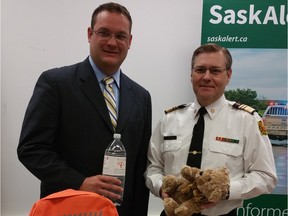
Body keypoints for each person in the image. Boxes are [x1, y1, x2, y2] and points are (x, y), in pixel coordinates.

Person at [17, 2, 152, 216]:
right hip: (69, 208)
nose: (112, 42)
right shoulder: (55, 83)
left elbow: (139, 169)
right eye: (104, 33)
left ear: (130, 41)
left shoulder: (141, 96)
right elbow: (31, 149)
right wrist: (79, 182)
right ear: (90, 34)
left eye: (120, 36)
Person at [145, 43, 277, 216]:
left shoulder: (247, 120)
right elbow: (153, 168)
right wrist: (161, 187)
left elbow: (266, 176)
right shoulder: (169, 119)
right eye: (200, 70)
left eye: (215, 71)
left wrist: (226, 190)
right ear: (191, 74)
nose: (206, 77)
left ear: (228, 75)